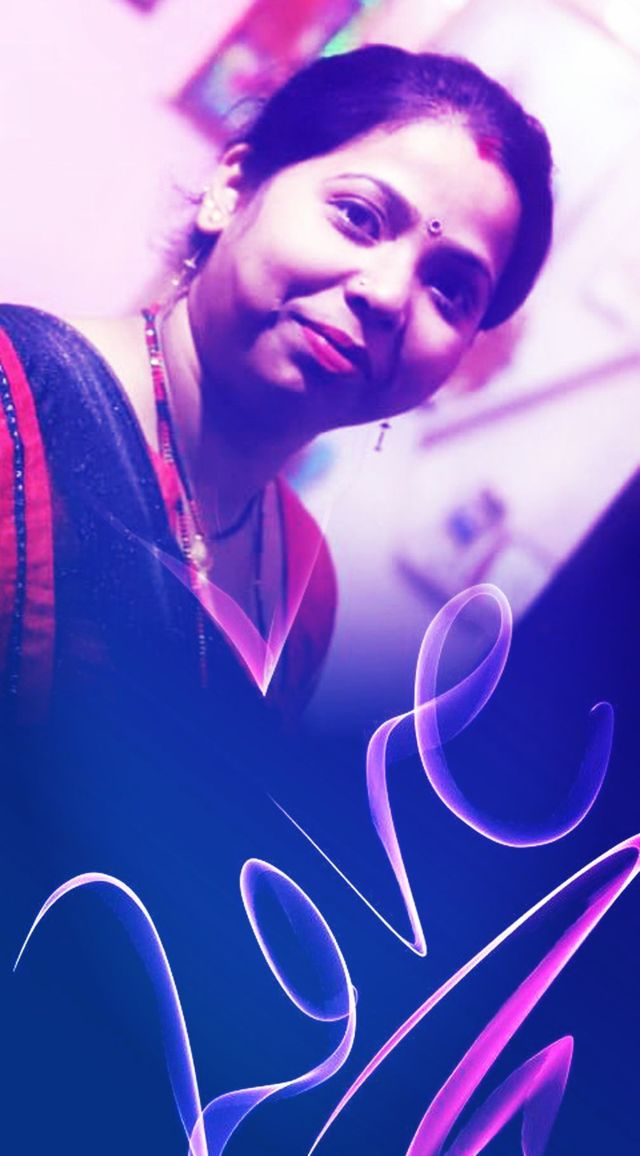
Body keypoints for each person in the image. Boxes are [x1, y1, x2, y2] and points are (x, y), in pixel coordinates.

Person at [0, 45, 554, 1155]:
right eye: (358, 216)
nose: (388, 293)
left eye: (452, 288)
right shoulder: (19, 404)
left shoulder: (303, 580)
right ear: (233, 185)